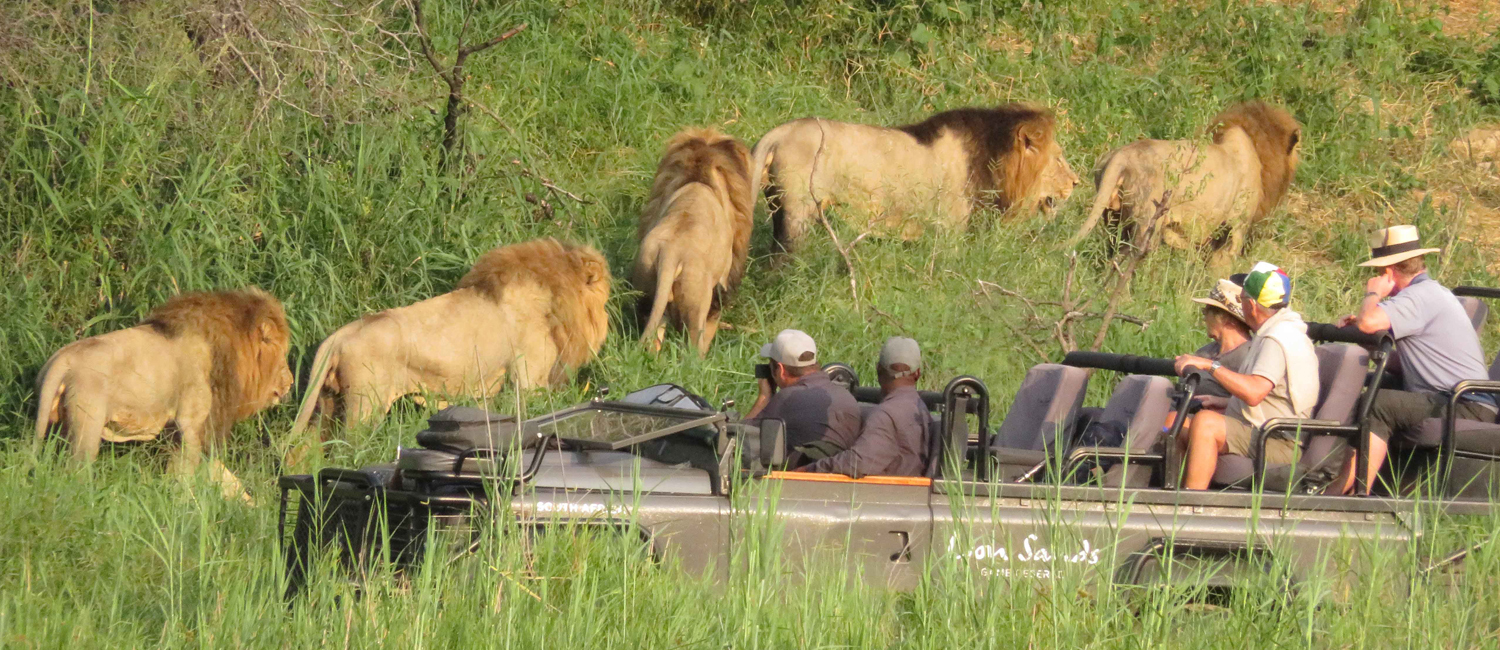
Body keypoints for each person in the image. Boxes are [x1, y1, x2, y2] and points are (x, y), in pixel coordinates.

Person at [1332, 225, 1497, 494]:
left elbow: (1369, 322)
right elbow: (1403, 364)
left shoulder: (1420, 296)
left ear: (1388, 272)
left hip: (1466, 404)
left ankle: (1353, 494)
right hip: (1448, 397)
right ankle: (1342, 477)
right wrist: (1365, 332)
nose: (1375, 277)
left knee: (1380, 404)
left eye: (1378, 272)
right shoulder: (1427, 295)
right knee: (1373, 386)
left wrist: (1372, 295)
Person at [1174, 262, 1320, 490]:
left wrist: (1210, 366)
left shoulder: (1277, 339)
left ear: (1250, 305)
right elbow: (1273, 397)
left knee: (1205, 425)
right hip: (1262, 430)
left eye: (1241, 300)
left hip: (1278, 441)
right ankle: (1169, 492)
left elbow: (1254, 393)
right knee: (1174, 421)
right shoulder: (1273, 332)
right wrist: (1224, 402)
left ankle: (1190, 504)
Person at [801, 337, 934, 478]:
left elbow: (858, 463)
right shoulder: (920, 408)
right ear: (918, 373)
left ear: (878, 370)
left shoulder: (886, 415)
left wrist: (811, 469)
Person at [744, 329, 862, 459]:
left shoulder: (786, 398)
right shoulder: (846, 396)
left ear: (781, 370)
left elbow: (739, 439)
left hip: (802, 476)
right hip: (841, 473)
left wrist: (764, 397)